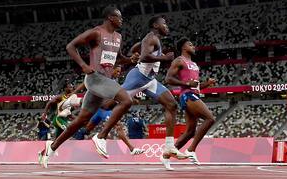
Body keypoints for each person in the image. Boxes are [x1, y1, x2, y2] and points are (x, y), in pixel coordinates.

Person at [39, 6, 138, 168]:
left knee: (80, 121)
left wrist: (130, 60)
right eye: (119, 17)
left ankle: (51, 148)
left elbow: (118, 59)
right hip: (94, 79)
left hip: (103, 83)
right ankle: (101, 136)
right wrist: (83, 65)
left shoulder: (118, 37)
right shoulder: (96, 33)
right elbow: (70, 46)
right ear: (110, 18)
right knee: (126, 100)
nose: (122, 20)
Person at [121, 15, 188, 168]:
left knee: (172, 105)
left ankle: (169, 147)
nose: (167, 26)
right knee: (108, 103)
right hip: (138, 78)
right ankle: (81, 104)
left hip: (150, 80)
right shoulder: (151, 38)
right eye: (164, 23)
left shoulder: (153, 40)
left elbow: (137, 50)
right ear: (155, 25)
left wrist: (134, 52)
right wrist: (164, 58)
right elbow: (144, 57)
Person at [164, 37, 216, 167]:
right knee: (210, 119)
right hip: (187, 95)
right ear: (183, 47)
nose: (193, 47)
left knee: (190, 132)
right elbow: (168, 79)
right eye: (190, 44)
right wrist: (186, 83)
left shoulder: (194, 64)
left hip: (193, 93)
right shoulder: (179, 60)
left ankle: (166, 155)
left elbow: (196, 86)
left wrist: (207, 84)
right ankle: (191, 150)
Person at [76, 65, 145, 155]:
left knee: (118, 126)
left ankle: (131, 149)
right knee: (85, 129)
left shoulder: (114, 82)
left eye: (120, 72)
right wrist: (75, 92)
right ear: (111, 69)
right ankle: (73, 143)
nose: (118, 74)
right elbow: (86, 83)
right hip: (98, 110)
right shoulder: (104, 77)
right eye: (117, 71)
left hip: (104, 111)